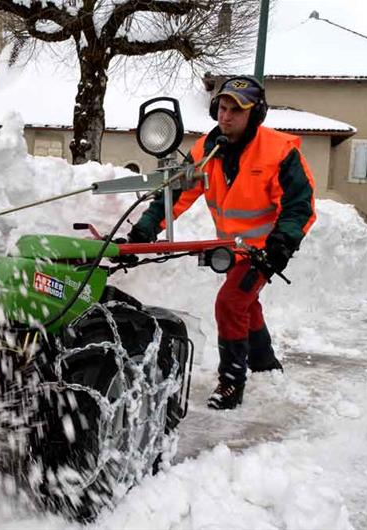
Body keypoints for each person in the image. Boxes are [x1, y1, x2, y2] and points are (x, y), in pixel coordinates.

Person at [127, 76, 316, 410]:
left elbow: (298, 204)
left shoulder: (278, 152)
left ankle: (231, 383)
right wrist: (145, 229)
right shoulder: (206, 151)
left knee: (230, 302)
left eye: (236, 111)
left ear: (254, 115)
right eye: (222, 109)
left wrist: (281, 245)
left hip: (263, 249)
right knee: (245, 303)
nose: (226, 117)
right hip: (233, 247)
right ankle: (265, 362)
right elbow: (174, 194)